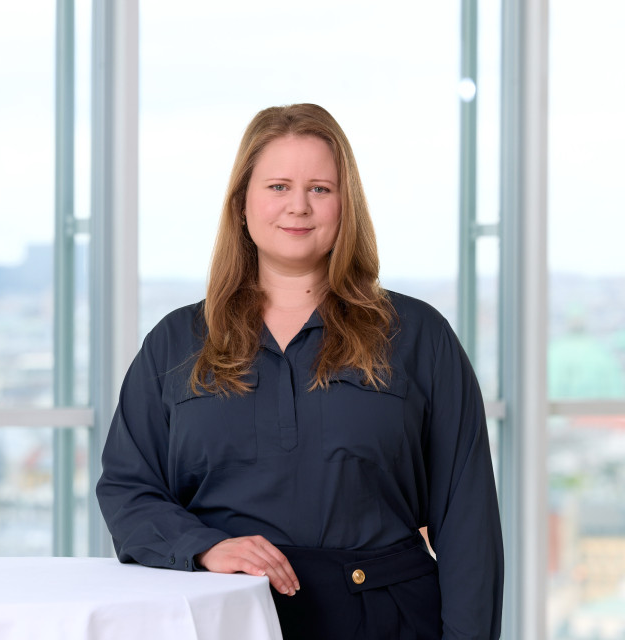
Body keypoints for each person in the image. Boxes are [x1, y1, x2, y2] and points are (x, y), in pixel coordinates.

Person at [96, 103, 503, 639]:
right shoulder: (175, 342)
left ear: (345, 205)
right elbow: (128, 489)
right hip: (227, 623)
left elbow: (467, 518)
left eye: (320, 188)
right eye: (278, 186)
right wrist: (205, 547)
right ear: (242, 205)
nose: (299, 206)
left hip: (387, 622)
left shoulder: (417, 335)